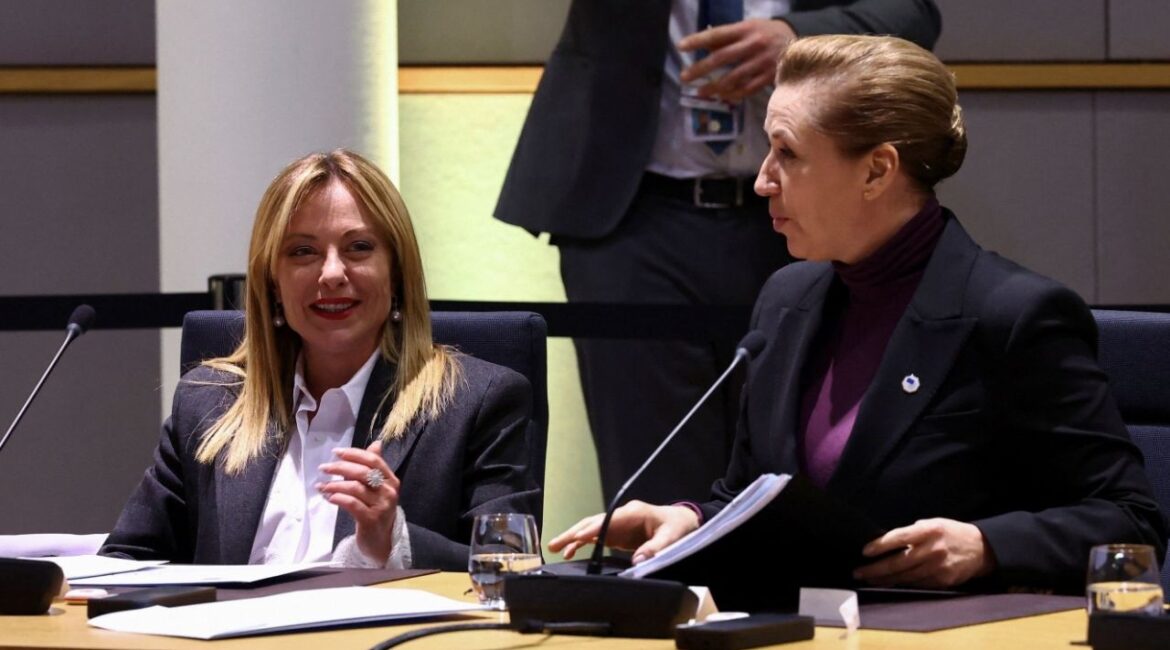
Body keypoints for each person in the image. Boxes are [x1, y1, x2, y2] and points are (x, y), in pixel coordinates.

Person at [549, 35, 1167, 593]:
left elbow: (1130, 520)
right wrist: (689, 519)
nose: (763, 180)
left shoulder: (1013, 315)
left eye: (787, 153)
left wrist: (987, 546)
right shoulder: (786, 298)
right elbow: (757, 497)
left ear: (877, 170)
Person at [495, 1, 943, 506]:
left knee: (802, 470)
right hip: (632, 216)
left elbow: (912, 14)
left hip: (806, 217)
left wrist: (798, 38)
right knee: (655, 487)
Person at [102, 150, 540, 571]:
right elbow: (127, 560)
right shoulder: (208, 404)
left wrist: (394, 540)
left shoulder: (478, 403)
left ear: (397, 274)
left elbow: (509, 569)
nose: (331, 273)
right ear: (272, 283)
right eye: (302, 252)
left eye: (359, 247)